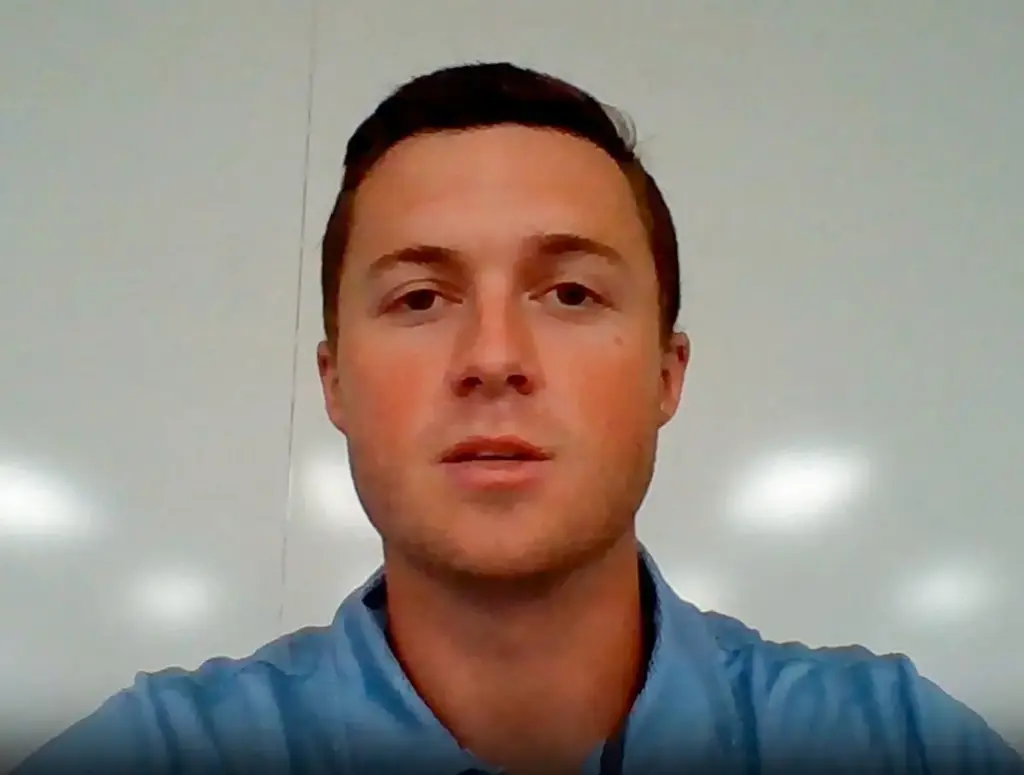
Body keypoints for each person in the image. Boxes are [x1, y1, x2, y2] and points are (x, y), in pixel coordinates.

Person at [11, 61, 1021, 775]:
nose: (493, 357)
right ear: (335, 382)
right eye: (420, 298)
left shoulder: (904, 743)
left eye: (570, 293)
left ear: (666, 375)